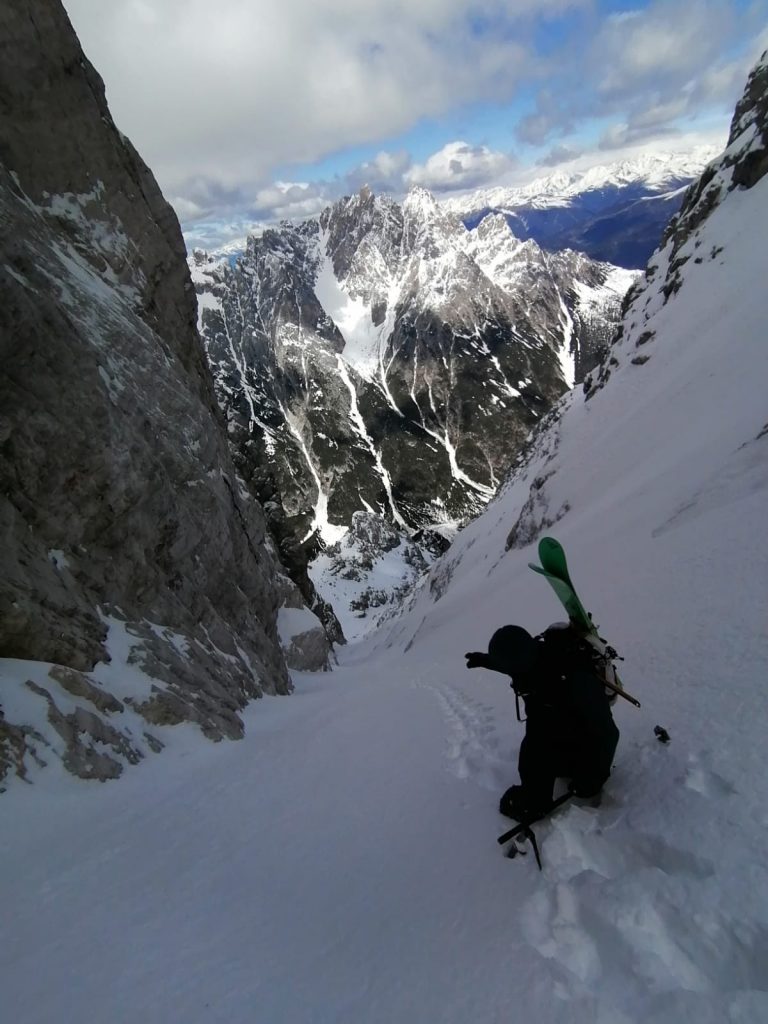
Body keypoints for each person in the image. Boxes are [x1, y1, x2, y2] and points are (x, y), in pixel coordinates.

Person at [465, 622, 619, 823]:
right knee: (536, 742)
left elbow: (608, 733)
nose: (509, 669)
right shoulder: (529, 658)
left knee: (536, 750)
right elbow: (510, 663)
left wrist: (593, 779)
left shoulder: (573, 678)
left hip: (583, 745)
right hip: (553, 721)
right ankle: (537, 792)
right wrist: (486, 661)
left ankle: (535, 804)